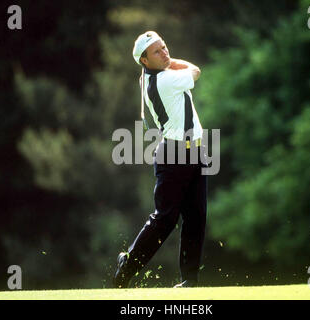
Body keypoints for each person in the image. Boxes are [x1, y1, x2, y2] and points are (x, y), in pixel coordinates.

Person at [113, 31, 207, 288]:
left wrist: (163, 60)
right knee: (165, 220)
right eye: (157, 52)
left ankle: (189, 280)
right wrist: (171, 62)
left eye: (165, 47)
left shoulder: (150, 76)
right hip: (175, 154)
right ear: (144, 61)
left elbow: (174, 67)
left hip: (194, 151)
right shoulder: (166, 79)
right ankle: (128, 264)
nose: (165, 53)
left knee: (196, 217)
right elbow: (196, 70)